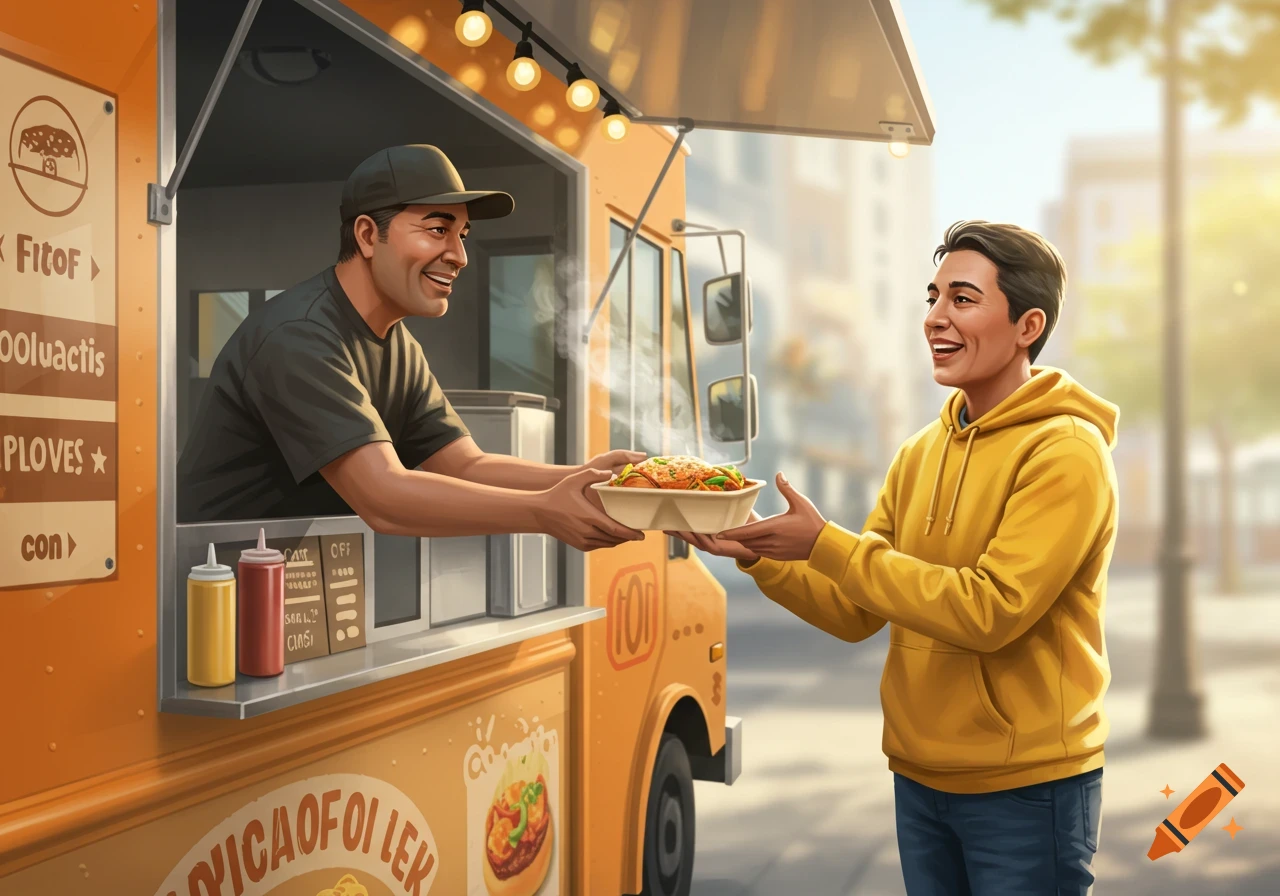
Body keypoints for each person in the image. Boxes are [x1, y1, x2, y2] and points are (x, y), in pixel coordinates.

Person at [673, 220, 1118, 895]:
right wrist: (760, 551)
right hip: (919, 775)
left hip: (1029, 786)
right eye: (933, 297)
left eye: (962, 300)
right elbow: (856, 609)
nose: (936, 318)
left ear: (1029, 325)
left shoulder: (1066, 453)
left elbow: (990, 611)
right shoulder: (920, 452)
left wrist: (825, 542)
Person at [178, 144, 644, 552]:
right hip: (208, 579)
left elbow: (465, 465)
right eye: (438, 230)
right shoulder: (298, 334)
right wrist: (543, 511)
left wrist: (590, 477)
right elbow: (384, 498)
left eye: (462, 236)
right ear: (366, 236)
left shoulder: (399, 346)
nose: (460, 257)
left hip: (287, 581)